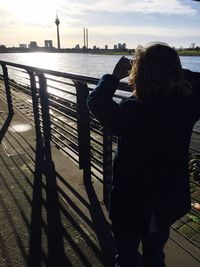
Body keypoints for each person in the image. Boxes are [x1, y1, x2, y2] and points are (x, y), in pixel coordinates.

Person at [87, 43, 200, 267]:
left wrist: (113, 76)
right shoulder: (186, 106)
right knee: (155, 255)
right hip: (165, 202)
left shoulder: (130, 110)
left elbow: (96, 101)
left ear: (139, 73)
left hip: (130, 202)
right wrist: (171, 71)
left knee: (126, 257)